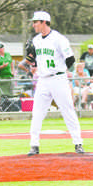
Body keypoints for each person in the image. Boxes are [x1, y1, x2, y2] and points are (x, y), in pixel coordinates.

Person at [26, 11, 84, 155]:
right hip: (43, 80)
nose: (33, 25)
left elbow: (70, 59)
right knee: (37, 112)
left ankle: (78, 143)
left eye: (36, 22)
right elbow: (32, 60)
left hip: (58, 79)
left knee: (67, 110)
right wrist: (32, 61)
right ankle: (34, 145)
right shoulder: (36, 40)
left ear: (44, 22)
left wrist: (63, 70)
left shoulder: (59, 39)